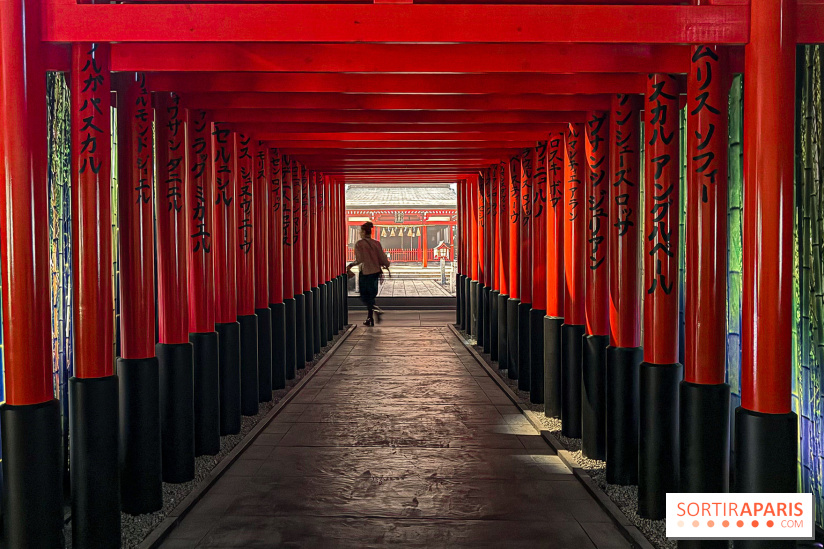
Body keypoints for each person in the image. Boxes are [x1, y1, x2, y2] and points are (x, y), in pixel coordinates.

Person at [346, 221, 390, 326]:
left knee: (364, 296)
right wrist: (386, 265)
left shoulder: (359, 244)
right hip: (375, 272)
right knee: (371, 296)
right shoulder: (376, 243)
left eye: (361, 231)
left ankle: (375, 309)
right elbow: (382, 258)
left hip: (365, 272)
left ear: (363, 232)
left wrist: (351, 265)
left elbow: (360, 259)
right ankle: (370, 319)